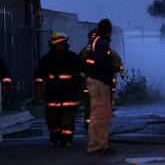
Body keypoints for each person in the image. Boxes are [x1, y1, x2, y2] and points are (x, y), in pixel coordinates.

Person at [35, 31, 84, 148]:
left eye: (62, 44)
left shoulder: (73, 57)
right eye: (57, 44)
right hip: (52, 94)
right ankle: (54, 137)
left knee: (68, 119)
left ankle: (67, 140)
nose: (60, 46)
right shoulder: (46, 59)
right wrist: (39, 88)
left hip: (69, 94)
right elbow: (39, 75)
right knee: (52, 120)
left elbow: (82, 72)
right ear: (52, 45)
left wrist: (80, 82)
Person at [86, 19, 121, 154]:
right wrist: (114, 67)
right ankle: (95, 146)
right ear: (109, 30)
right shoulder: (100, 43)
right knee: (99, 114)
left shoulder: (98, 42)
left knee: (103, 114)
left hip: (100, 81)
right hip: (98, 81)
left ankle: (102, 144)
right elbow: (101, 63)